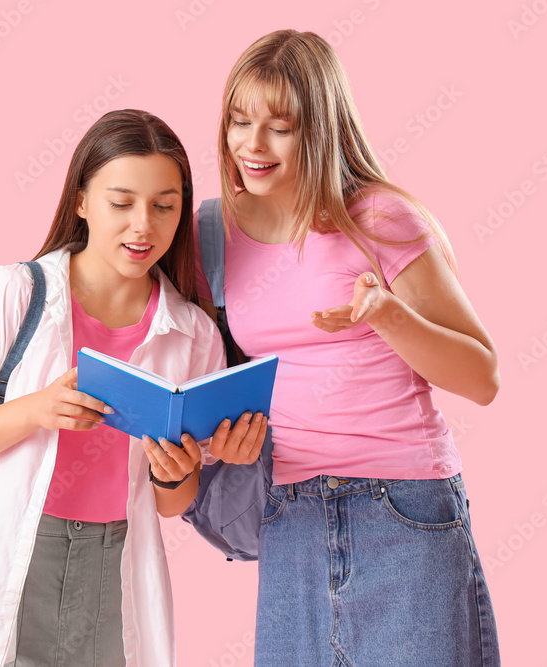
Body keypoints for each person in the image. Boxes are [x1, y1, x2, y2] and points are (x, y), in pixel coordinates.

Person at [0, 109, 266, 667]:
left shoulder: (193, 333)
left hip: (116, 573)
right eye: (120, 203)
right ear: (81, 200)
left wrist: (174, 472)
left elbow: (173, 504)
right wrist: (35, 409)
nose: (142, 226)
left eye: (164, 206)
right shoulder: (5, 296)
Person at [194, 30, 501, 666]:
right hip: (290, 512)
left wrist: (388, 316)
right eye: (239, 121)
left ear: (321, 127)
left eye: (279, 126)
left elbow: (482, 376)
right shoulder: (213, 231)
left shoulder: (379, 219)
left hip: (404, 508)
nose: (253, 145)